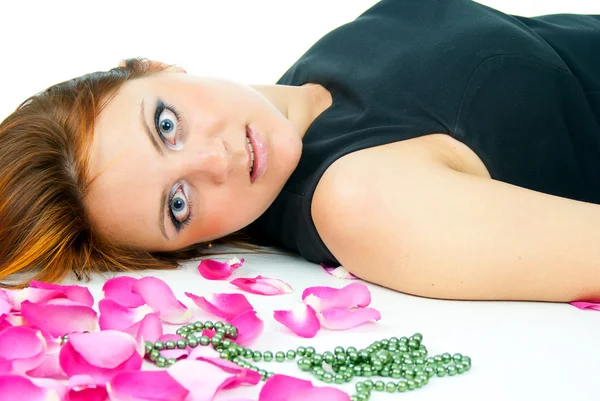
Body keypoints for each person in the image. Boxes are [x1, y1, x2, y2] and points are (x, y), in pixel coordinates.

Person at [1, 0, 599, 302]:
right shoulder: (358, 199)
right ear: (187, 245)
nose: (217, 163)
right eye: (178, 205)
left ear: (155, 66)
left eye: (165, 124)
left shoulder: (311, 73)